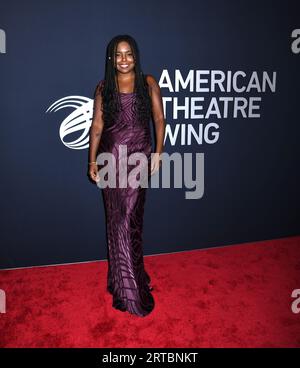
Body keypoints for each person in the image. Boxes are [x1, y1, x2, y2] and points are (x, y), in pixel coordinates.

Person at [88, 34, 166, 317]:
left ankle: (130, 284)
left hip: (138, 157)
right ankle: (123, 285)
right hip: (110, 157)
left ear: (136, 56)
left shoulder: (148, 82)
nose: (124, 59)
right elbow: (97, 125)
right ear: (111, 58)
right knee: (116, 220)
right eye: (118, 54)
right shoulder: (103, 87)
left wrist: (158, 152)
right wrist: (91, 160)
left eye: (129, 53)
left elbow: (159, 119)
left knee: (130, 220)